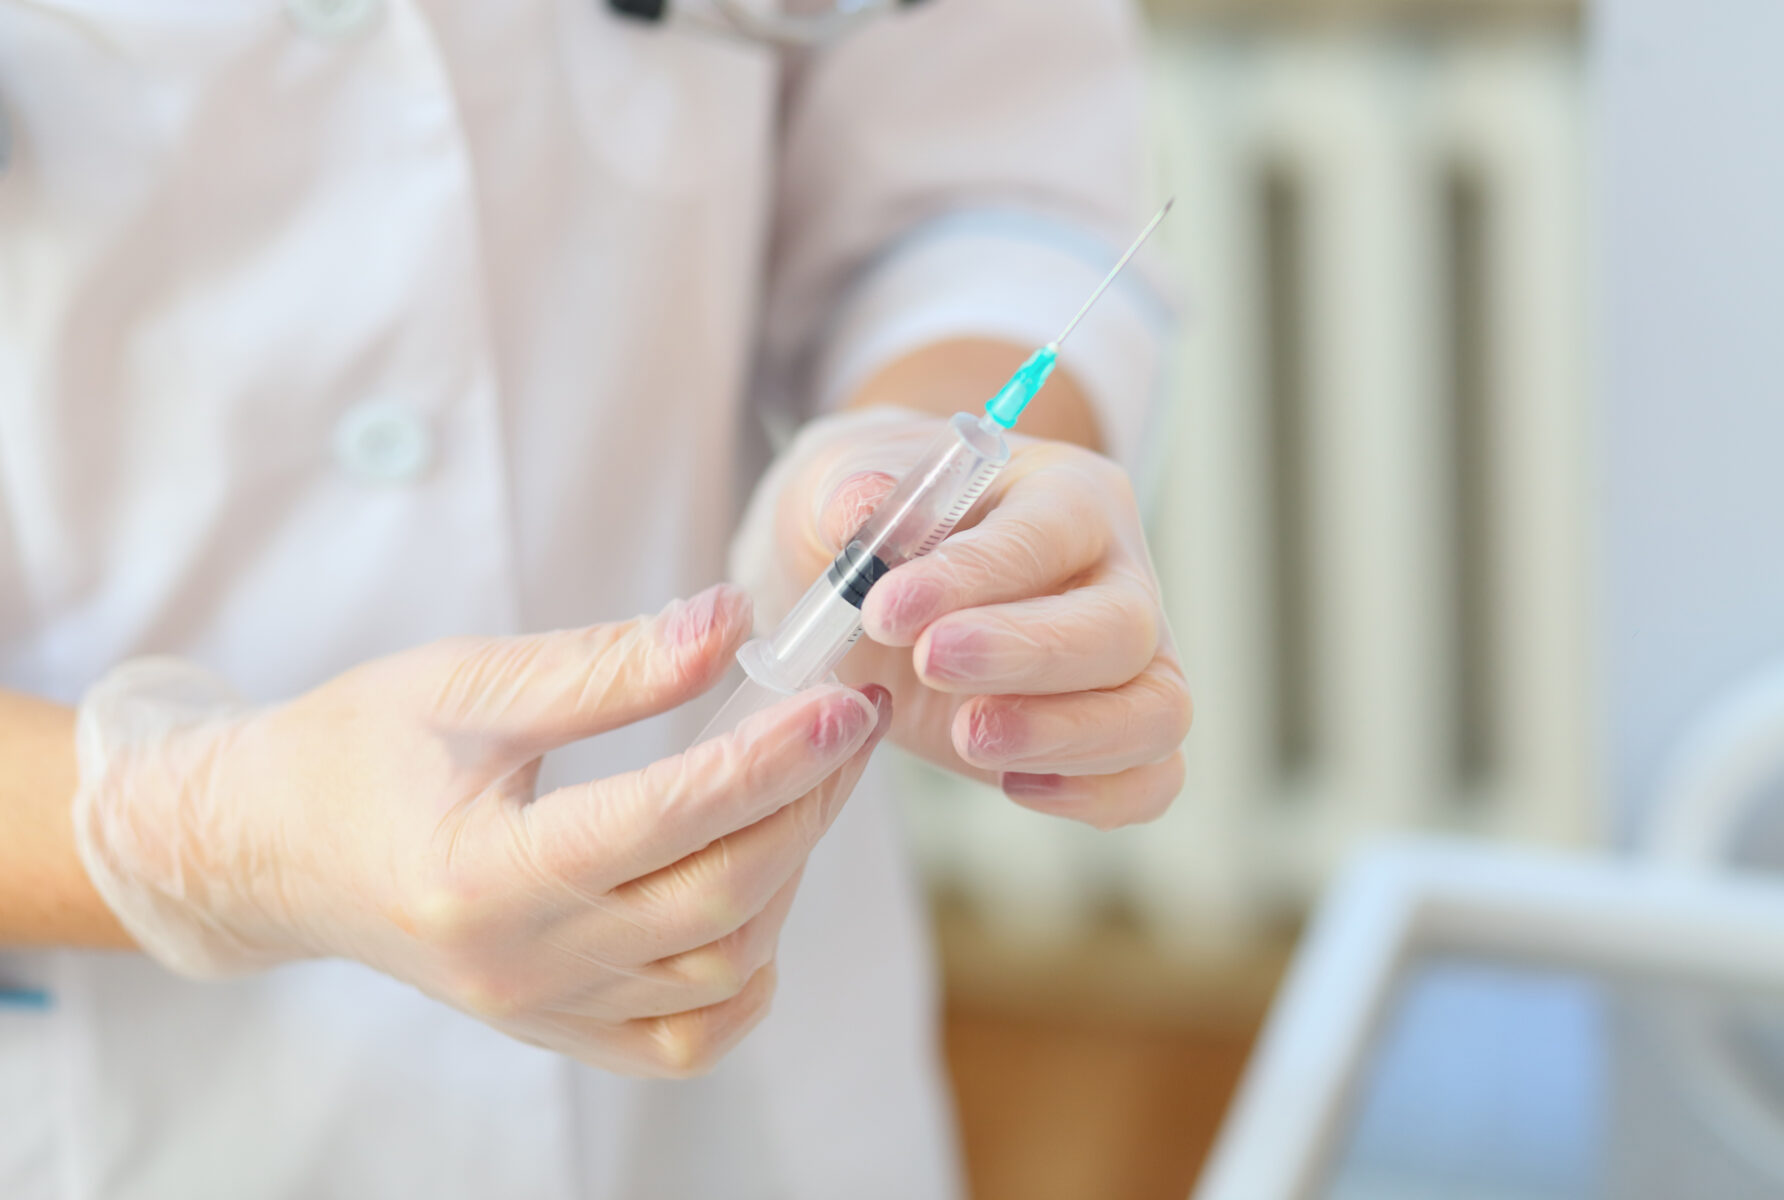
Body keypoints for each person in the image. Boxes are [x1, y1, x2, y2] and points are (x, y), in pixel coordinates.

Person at [0, 0, 1189, 1195]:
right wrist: (207, 834)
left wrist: (894, 453)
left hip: (732, 1057)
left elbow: (979, 174)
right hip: (115, 1075)